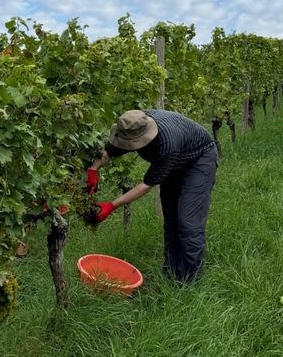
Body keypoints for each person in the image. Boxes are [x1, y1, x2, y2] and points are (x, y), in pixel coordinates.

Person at [85, 109, 218, 284]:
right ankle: (172, 274)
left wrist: (111, 205)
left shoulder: (167, 143)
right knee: (171, 222)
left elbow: (146, 185)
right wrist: (93, 170)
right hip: (174, 163)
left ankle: (191, 282)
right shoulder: (131, 126)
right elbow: (109, 151)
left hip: (198, 161)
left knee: (188, 223)